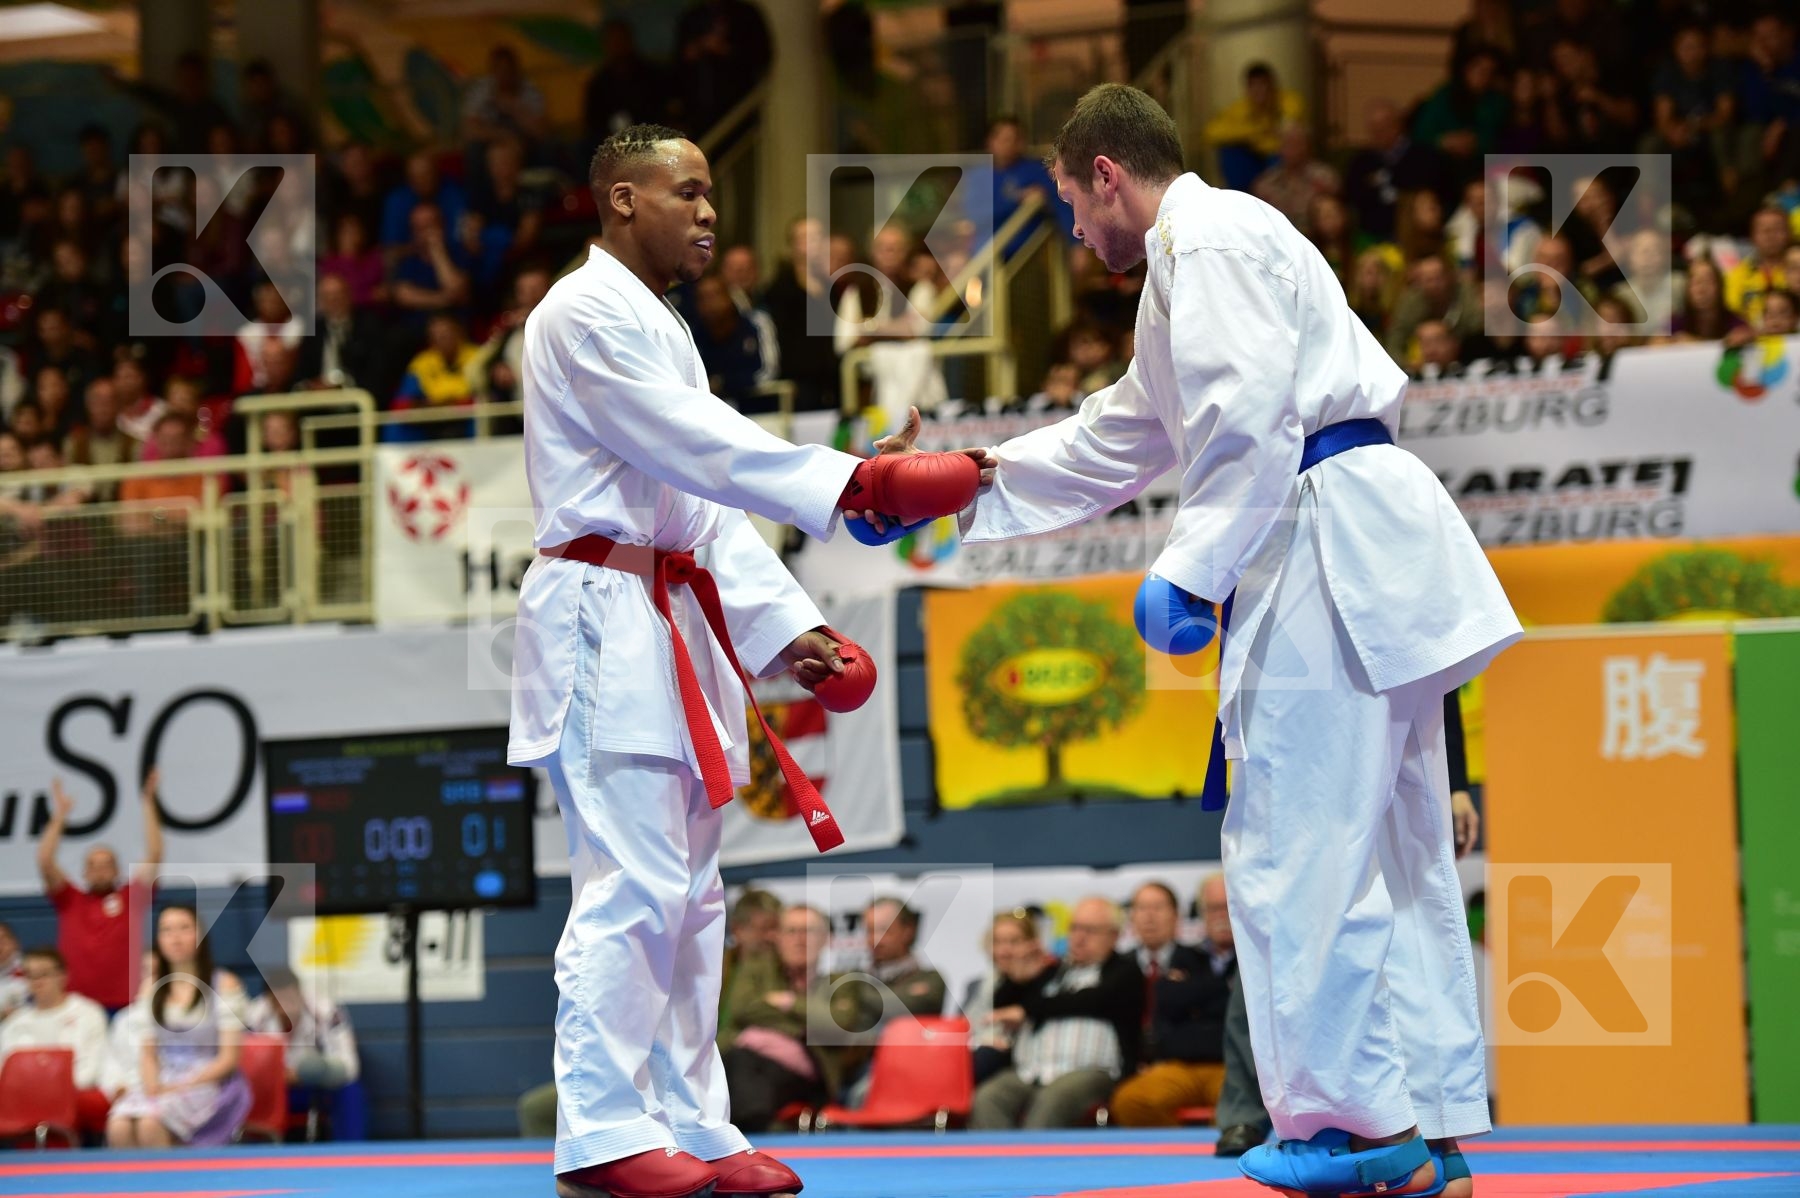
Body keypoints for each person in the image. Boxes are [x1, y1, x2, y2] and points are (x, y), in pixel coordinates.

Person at [918, 84, 1519, 1198]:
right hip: (1347, 536)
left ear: (1108, 173)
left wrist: (1191, 567)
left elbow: (1247, 416)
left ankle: (1355, 1125)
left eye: (1068, 202)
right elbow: (1125, 433)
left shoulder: (1210, 236)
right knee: (1389, 850)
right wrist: (973, 477)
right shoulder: (1193, 265)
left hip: (1323, 533)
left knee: (1299, 844)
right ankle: (1425, 1123)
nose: (1072, 229)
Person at [506, 123, 978, 1198]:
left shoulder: (664, 326)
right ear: (621, 200)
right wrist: (853, 481)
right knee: (631, 883)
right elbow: (694, 446)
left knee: (694, 894)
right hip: (603, 609)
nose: (711, 212)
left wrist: (792, 627)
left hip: (670, 609)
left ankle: (696, 1125)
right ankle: (598, 1132)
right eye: (689, 191)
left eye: (713, 193)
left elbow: (704, 502)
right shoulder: (581, 313)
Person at [970, 895, 1144, 1129]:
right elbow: (1004, 1006)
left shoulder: (1124, 971)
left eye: (1090, 931)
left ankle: (1033, 1163)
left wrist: (1028, 1009)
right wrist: (1017, 979)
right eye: (1075, 928)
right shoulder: (1052, 970)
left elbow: (1091, 1000)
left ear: (1113, 935)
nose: (1079, 938)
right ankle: (994, 1163)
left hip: (1090, 1072)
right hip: (1032, 1071)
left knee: (1052, 1101)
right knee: (989, 1097)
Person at [106, 904, 253, 1147]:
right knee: (119, 1124)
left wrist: (180, 1086)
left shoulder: (225, 984)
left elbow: (229, 1059)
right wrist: (154, 1086)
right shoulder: (151, 988)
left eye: (184, 928)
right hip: (163, 1079)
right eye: (167, 930)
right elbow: (148, 1053)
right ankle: (130, 1185)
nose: (175, 938)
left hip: (208, 1081)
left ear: (200, 935)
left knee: (150, 1122)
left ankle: (166, 1183)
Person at [1108, 879, 1236, 1127]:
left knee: (1237, 1110)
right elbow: (1167, 1002)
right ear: (1202, 914)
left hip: (1231, 1067)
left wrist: (1193, 994)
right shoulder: (1185, 955)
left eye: (1227, 907)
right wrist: (1223, 989)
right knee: (1131, 1101)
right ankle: (1180, 1156)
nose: (1221, 916)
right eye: (1212, 908)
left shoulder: (1259, 957)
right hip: (1176, 1065)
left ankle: (1219, 1159)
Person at [37, 771, 164, 1012]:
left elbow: (155, 853)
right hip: (77, 1006)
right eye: (93, 865)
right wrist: (60, 815)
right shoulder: (69, 899)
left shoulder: (131, 898)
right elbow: (45, 860)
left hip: (126, 1004)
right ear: (84, 873)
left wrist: (149, 803)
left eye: (106, 864)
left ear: (117, 871)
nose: (100, 870)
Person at [718, 904, 833, 1131]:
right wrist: (798, 1026)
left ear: (825, 938)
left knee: (743, 1068)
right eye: (791, 931)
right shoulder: (761, 973)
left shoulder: (842, 983)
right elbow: (743, 1010)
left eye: (808, 931)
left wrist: (787, 1003)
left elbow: (838, 1023)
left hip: (809, 1079)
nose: (800, 940)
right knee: (734, 1062)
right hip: (751, 1065)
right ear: (777, 937)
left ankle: (744, 1136)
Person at [245, 966, 367, 1141]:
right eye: (279, 1001)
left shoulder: (326, 1011)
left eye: (291, 998)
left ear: (301, 994)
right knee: (242, 1093)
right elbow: (241, 1067)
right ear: (269, 1001)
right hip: (275, 1089)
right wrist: (276, 1077)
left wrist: (313, 1072)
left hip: (315, 1086)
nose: (287, 1006)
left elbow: (350, 1067)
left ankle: (350, 1154)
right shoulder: (254, 1016)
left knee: (351, 1091)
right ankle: (254, 1155)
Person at [0, 946, 112, 1134]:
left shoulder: (88, 1013)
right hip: (23, 1099)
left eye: (44, 974)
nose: (37, 982)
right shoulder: (14, 1023)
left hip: (73, 1094)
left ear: (63, 976)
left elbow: (92, 1069)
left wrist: (52, 1091)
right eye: (30, 976)